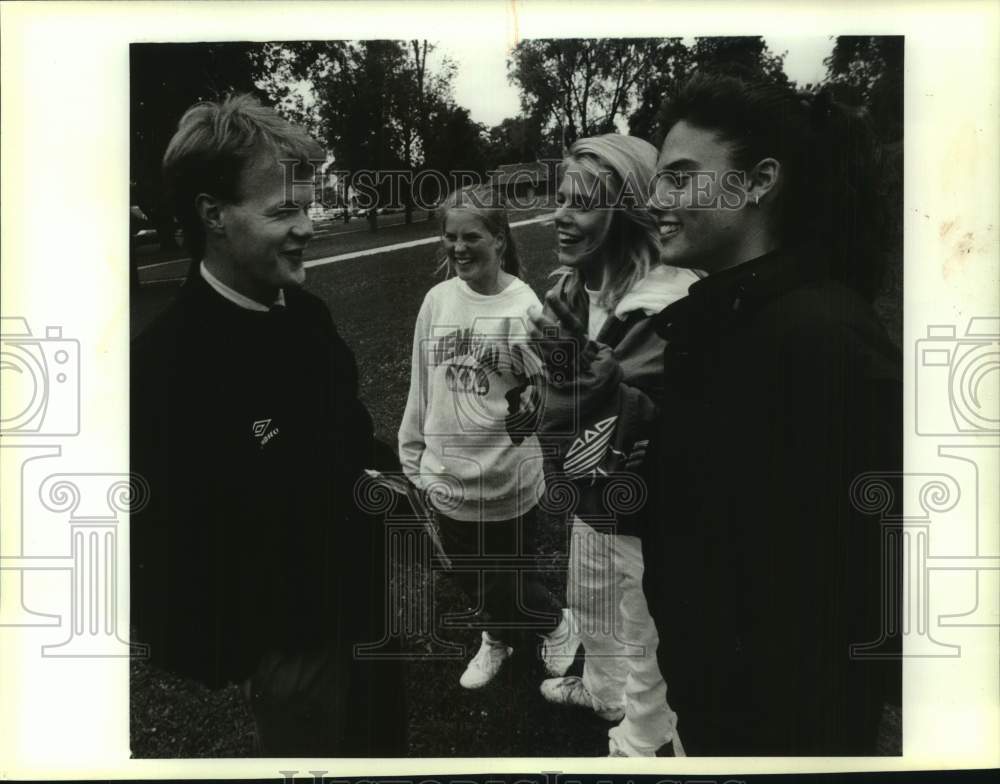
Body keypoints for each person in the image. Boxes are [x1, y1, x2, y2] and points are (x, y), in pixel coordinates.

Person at [131, 94, 405, 757]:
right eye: (283, 210)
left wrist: (390, 473)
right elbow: (166, 534)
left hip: (366, 609)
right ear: (212, 216)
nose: (306, 227)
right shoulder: (167, 361)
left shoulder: (309, 316)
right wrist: (241, 651)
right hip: (291, 646)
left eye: (306, 207)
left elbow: (346, 430)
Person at [642, 72, 903, 755]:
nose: (655, 199)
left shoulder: (819, 340)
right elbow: (707, 515)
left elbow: (855, 593)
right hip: (715, 714)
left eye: (679, 177)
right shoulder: (724, 320)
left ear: (758, 182)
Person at [523, 134, 698, 757]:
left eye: (584, 204)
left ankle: (640, 745)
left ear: (624, 212)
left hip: (650, 514)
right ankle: (600, 690)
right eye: (560, 198)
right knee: (591, 602)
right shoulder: (570, 291)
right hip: (593, 500)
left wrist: (571, 377)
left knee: (647, 636)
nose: (561, 216)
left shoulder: (669, 303)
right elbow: (559, 421)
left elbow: (636, 426)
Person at [398, 184, 562, 690]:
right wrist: (412, 449)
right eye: (450, 237)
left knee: (509, 576)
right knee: (471, 576)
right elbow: (420, 382)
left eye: (471, 236)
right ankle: (498, 638)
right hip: (448, 475)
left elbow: (547, 394)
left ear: (498, 238)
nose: (458, 248)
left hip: (507, 476)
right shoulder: (437, 299)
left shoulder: (524, 306)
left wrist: (535, 402)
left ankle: (558, 625)